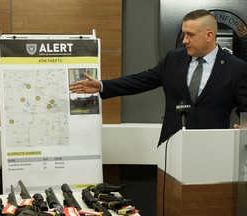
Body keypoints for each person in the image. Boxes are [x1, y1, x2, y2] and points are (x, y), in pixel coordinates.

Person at [69, 9, 247, 146]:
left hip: (213, 147)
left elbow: (245, 108)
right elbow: (141, 80)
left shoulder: (236, 68)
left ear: (209, 35)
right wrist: (102, 85)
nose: (184, 40)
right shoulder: (174, 59)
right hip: (172, 144)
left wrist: (245, 128)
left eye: (190, 35)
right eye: (184, 33)